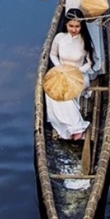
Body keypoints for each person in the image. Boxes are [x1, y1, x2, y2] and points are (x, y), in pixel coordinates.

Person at [45, 9, 95, 140]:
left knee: (66, 94)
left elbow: (89, 63)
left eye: (77, 26)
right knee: (51, 93)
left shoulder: (85, 41)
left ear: (81, 26)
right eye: (71, 26)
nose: (74, 29)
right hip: (61, 73)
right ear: (66, 25)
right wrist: (60, 68)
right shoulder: (59, 38)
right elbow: (52, 54)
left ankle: (75, 127)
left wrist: (77, 72)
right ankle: (71, 125)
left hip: (78, 76)